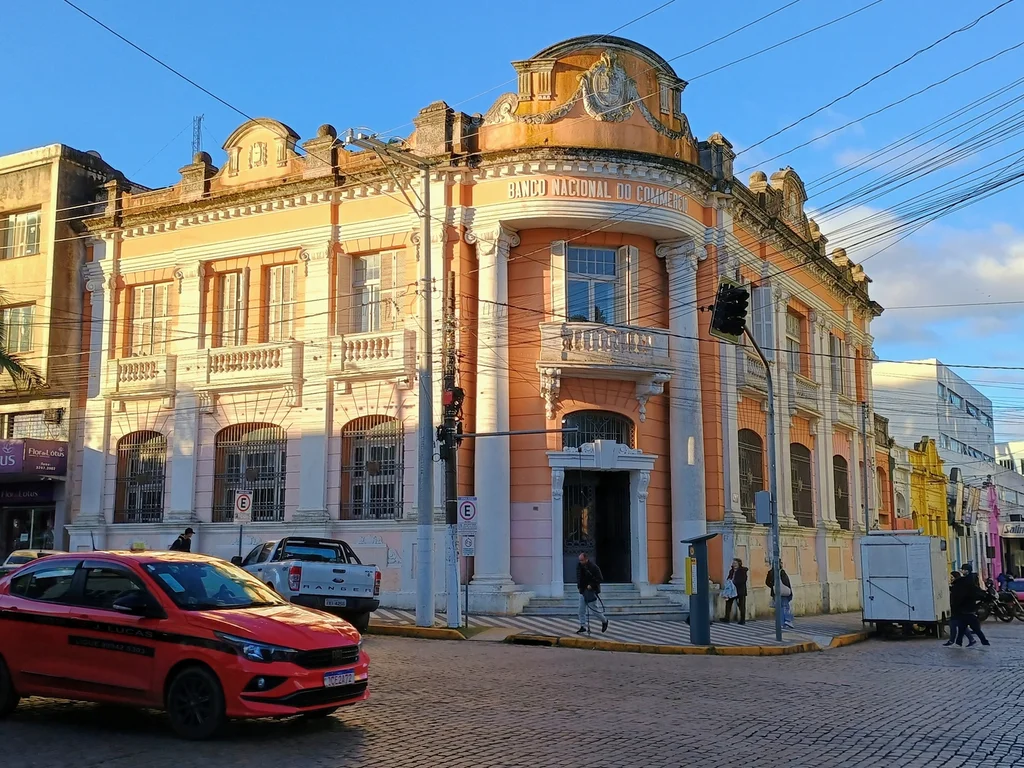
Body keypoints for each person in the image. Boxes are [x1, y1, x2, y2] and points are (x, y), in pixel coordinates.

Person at [948, 567, 989, 647]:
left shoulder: (962, 584)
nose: (950, 579)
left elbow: (958, 598)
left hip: (965, 610)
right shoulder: (969, 582)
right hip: (966, 609)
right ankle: (959, 642)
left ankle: (984, 642)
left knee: (973, 628)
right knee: (962, 627)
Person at [576, 553, 608, 635]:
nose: (580, 562)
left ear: (586, 559)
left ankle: (604, 620)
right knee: (581, 610)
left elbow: (600, 579)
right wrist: (579, 586)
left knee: (594, 610)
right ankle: (583, 626)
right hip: (582, 591)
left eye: (582, 560)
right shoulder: (579, 566)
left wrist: (592, 585)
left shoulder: (594, 567)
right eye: (580, 560)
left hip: (591, 591)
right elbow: (579, 577)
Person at [943, 571, 976, 646]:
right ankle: (971, 639)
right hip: (959, 608)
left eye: (951, 577)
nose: (950, 579)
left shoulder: (958, 585)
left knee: (953, 624)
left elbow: (958, 597)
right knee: (958, 625)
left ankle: (952, 641)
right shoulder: (957, 584)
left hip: (958, 609)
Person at [723, 558, 748, 624]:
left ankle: (742, 620)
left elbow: (743, 580)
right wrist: (729, 582)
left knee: (741, 605)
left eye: (735, 563)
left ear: (739, 564)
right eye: (733, 563)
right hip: (731, 591)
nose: (734, 565)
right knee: (728, 603)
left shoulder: (743, 571)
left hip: (740, 590)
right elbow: (729, 578)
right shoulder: (731, 571)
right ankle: (726, 618)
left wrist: (734, 582)